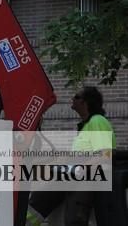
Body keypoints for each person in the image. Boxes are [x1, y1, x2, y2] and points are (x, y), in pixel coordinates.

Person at [27, 86, 117, 226]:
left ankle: (25, 220)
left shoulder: (98, 121)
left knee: (49, 199)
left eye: (76, 97)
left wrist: (79, 169)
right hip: (81, 175)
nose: (72, 99)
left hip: (89, 176)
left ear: (85, 102)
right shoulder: (86, 126)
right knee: (44, 192)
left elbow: (105, 154)